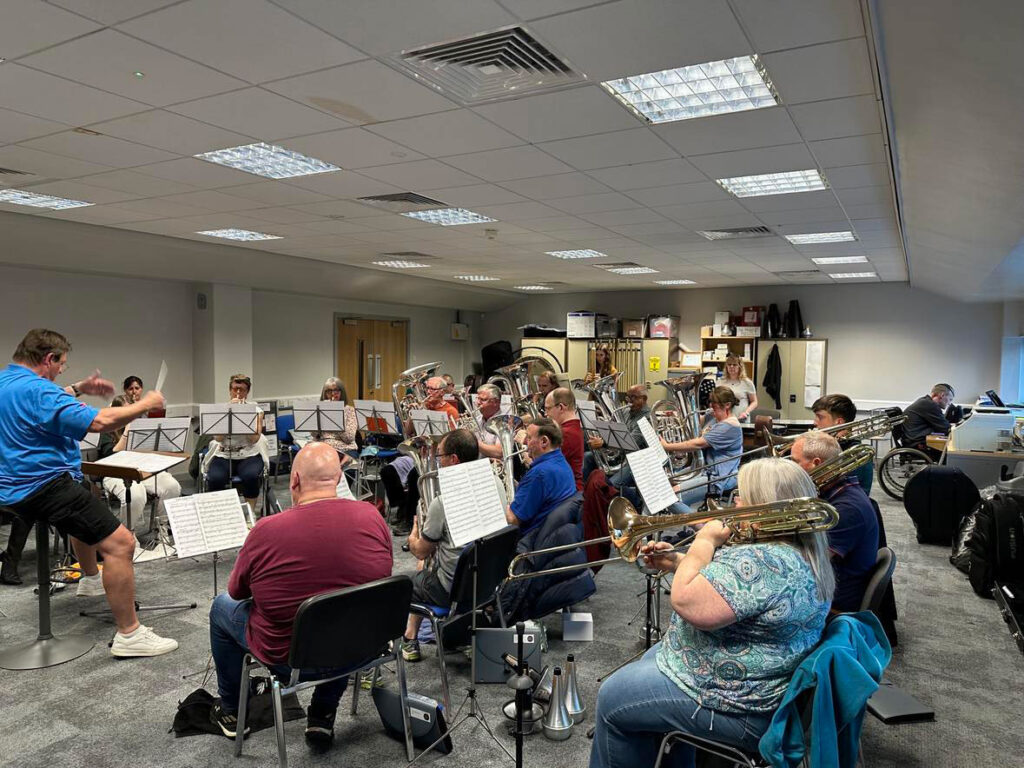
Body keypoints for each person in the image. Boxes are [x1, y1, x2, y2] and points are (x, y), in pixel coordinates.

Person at [589, 458, 834, 768]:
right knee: (647, 665)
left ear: (763, 507)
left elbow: (685, 601)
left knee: (611, 700)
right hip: (743, 682)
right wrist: (680, 561)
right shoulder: (800, 548)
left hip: (738, 705)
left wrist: (703, 539)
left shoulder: (762, 561)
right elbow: (740, 593)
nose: (734, 501)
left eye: (742, 495)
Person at [0, 328, 177, 656]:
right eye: (61, 364)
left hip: (11, 488)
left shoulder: (6, 381)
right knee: (122, 543)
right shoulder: (40, 391)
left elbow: (39, 398)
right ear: (48, 359)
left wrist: (79, 387)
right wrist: (146, 404)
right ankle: (130, 635)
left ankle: (91, 578)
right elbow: (100, 422)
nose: (61, 371)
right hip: (44, 486)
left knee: (83, 498)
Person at [208, 443, 392, 746]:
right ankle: (322, 714)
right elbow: (381, 576)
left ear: (294, 480)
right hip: (363, 648)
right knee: (344, 610)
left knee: (221, 607)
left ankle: (230, 709)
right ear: (337, 479)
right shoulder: (371, 516)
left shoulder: (266, 530)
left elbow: (237, 591)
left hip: (291, 661)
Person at [399, 429, 507, 662]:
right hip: (489, 584)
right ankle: (456, 635)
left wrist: (412, 536)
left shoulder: (442, 502)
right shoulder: (496, 483)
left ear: (454, 459)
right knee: (429, 563)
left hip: (452, 590)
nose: (438, 462)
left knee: (406, 579)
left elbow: (421, 549)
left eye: (440, 456)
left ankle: (409, 639)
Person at [791, 430, 879, 612]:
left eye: (795, 462)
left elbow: (807, 564)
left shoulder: (846, 509)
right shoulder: (834, 491)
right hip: (825, 584)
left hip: (833, 601)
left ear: (816, 464)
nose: (791, 469)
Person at [97, 391, 182, 533]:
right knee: (136, 494)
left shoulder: (141, 426)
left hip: (141, 469)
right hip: (115, 473)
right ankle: (127, 533)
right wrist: (126, 432)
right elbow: (111, 455)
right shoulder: (106, 429)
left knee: (172, 486)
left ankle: (162, 527)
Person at [661, 386, 743, 510]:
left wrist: (667, 446)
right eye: (711, 402)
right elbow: (692, 424)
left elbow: (698, 444)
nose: (711, 406)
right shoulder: (713, 415)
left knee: (670, 497)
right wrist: (675, 417)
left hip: (719, 477)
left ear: (727, 405)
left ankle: (701, 527)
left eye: (715, 404)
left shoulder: (730, 427)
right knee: (664, 484)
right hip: (703, 469)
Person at [205, 374, 267, 513]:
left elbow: (254, 439)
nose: (238, 393)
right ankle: (219, 513)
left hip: (249, 454)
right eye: (235, 389)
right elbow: (218, 438)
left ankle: (250, 514)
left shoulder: (256, 410)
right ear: (230, 390)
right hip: (224, 454)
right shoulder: (220, 410)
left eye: (242, 390)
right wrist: (228, 415)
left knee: (250, 476)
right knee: (215, 478)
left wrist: (242, 416)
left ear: (247, 392)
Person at [505, 418, 576, 532]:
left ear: (544, 441)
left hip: (528, 542)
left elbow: (513, 520)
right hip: (551, 534)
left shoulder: (539, 475)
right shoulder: (562, 462)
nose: (524, 442)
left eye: (529, 438)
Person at [584, 384, 650, 484]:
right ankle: (585, 493)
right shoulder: (625, 411)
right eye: (628, 396)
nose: (629, 401)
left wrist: (603, 443)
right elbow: (612, 429)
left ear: (644, 399)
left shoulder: (647, 417)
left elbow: (631, 442)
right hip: (621, 456)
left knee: (611, 485)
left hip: (636, 461)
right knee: (587, 457)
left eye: (633, 397)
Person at [811, 393, 873, 492]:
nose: (815, 422)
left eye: (820, 417)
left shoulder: (856, 454)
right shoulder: (834, 446)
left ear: (839, 422)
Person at [312, 377, 358, 467]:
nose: (333, 394)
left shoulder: (350, 410)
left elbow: (349, 438)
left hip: (345, 449)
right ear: (324, 394)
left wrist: (335, 418)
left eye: (336, 390)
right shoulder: (320, 410)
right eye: (329, 391)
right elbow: (314, 434)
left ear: (342, 392)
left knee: (332, 466)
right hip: (323, 448)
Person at [544, 387, 584, 491]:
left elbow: (546, 467)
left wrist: (527, 452)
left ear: (561, 407)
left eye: (548, 408)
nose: (546, 414)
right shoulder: (571, 428)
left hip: (566, 491)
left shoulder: (566, 433)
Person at [902, 383, 955, 459]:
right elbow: (945, 428)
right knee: (951, 455)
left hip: (914, 439)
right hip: (917, 443)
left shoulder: (925, 401)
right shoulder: (929, 405)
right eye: (950, 399)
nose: (949, 403)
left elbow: (942, 425)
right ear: (942, 395)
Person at [720, 354, 758, 421]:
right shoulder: (720, 382)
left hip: (741, 418)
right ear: (726, 367)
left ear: (740, 367)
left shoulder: (747, 382)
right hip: (724, 419)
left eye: (735, 364)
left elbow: (754, 402)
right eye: (729, 364)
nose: (731, 366)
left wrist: (746, 412)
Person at [473, 383, 505, 460]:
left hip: (494, 469)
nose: (478, 403)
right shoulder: (476, 420)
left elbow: (499, 452)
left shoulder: (504, 423)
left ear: (495, 402)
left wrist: (471, 441)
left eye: (483, 400)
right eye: (478, 398)